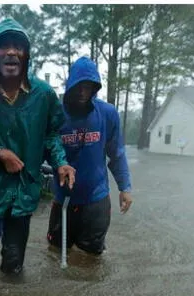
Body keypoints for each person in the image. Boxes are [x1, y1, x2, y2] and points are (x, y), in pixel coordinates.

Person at [0, 18, 76, 275]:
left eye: (18, 46)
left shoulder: (43, 95)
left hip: (22, 194)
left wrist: (61, 162)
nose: (11, 51)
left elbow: (51, 134)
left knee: (13, 270)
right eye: (4, 46)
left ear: (26, 56)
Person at [46, 56, 133, 255]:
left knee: (92, 259)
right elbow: (46, 149)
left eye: (89, 87)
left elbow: (116, 153)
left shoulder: (107, 113)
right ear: (71, 85)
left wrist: (125, 187)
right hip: (64, 199)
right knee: (55, 252)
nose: (83, 92)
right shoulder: (56, 114)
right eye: (79, 86)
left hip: (96, 199)